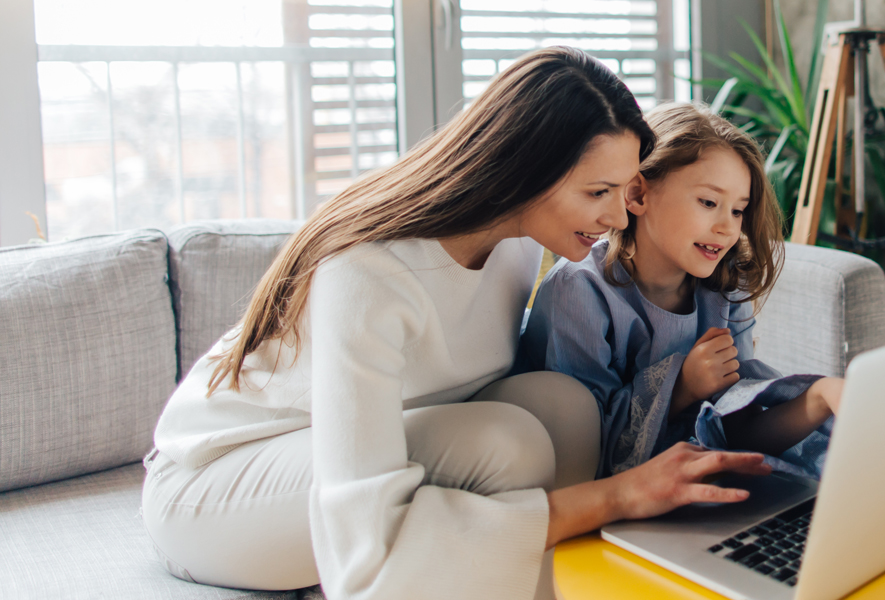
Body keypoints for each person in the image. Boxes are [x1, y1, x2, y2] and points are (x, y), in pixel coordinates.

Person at [141, 48, 773, 600]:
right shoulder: (369, 274)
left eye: (623, 190)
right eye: (596, 192)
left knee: (558, 402)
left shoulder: (521, 247)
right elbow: (366, 550)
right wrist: (618, 496)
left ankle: (564, 584)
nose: (616, 216)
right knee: (500, 440)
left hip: (370, 451)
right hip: (214, 489)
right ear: (529, 169)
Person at [518, 102, 844, 480]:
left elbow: (738, 430)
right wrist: (682, 387)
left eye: (738, 210)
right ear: (638, 195)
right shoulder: (578, 291)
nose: (727, 228)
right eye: (708, 202)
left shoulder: (725, 286)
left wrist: (819, 397)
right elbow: (587, 454)